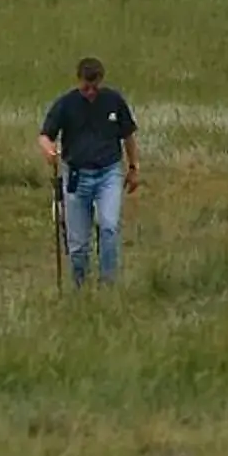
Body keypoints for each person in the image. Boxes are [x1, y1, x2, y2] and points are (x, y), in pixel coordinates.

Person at [39, 56, 139, 285]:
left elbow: (128, 136)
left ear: (101, 81)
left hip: (109, 173)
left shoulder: (114, 101)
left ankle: (108, 284)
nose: (91, 92)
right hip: (76, 176)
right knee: (78, 245)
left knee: (109, 227)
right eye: (86, 88)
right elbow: (45, 135)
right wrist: (48, 150)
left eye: (95, 87)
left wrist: (133, 167)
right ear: (78, 81)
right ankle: (79, 286)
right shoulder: (66, 104)